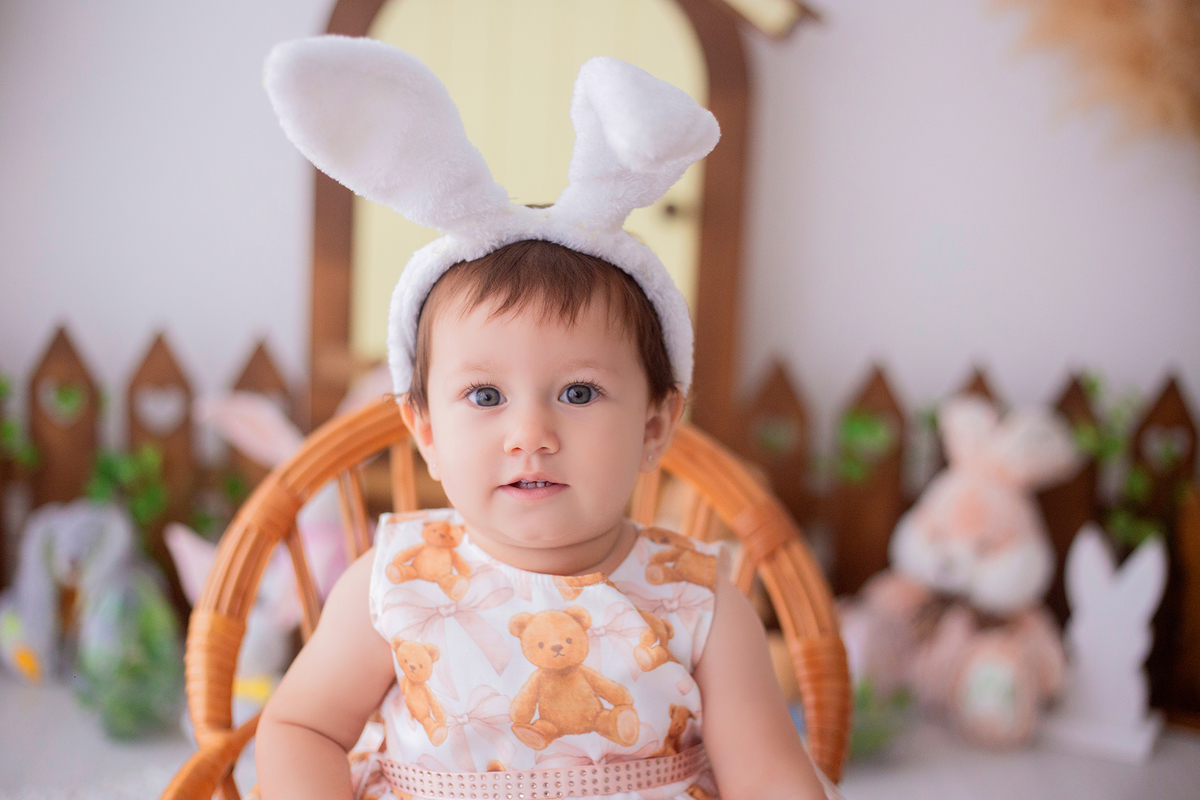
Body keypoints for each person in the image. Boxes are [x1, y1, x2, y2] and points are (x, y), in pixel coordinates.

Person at [255, 35, 835, 800]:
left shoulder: (701, 602)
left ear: (655, 426)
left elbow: (766, 777)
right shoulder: (394, 583)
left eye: (580, 393)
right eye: (485, 396)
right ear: (426, 431)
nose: (531, 434)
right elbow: (300, 728)